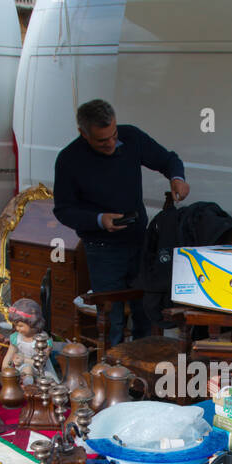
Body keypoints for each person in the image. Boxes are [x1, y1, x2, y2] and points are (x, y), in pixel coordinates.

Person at [53, 99, 190, 347]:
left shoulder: (131, 137)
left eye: (113, 135)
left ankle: (144, 375)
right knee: (112, 319)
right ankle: (113, 377)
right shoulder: (69, 160)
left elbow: (168, 160)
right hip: (102, 249)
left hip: (140, 242)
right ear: (83, 133)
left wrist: (177, 177)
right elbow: (63, 210)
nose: (112, 144)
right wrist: (99, 220)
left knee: (146, 312)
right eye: (102, 140)